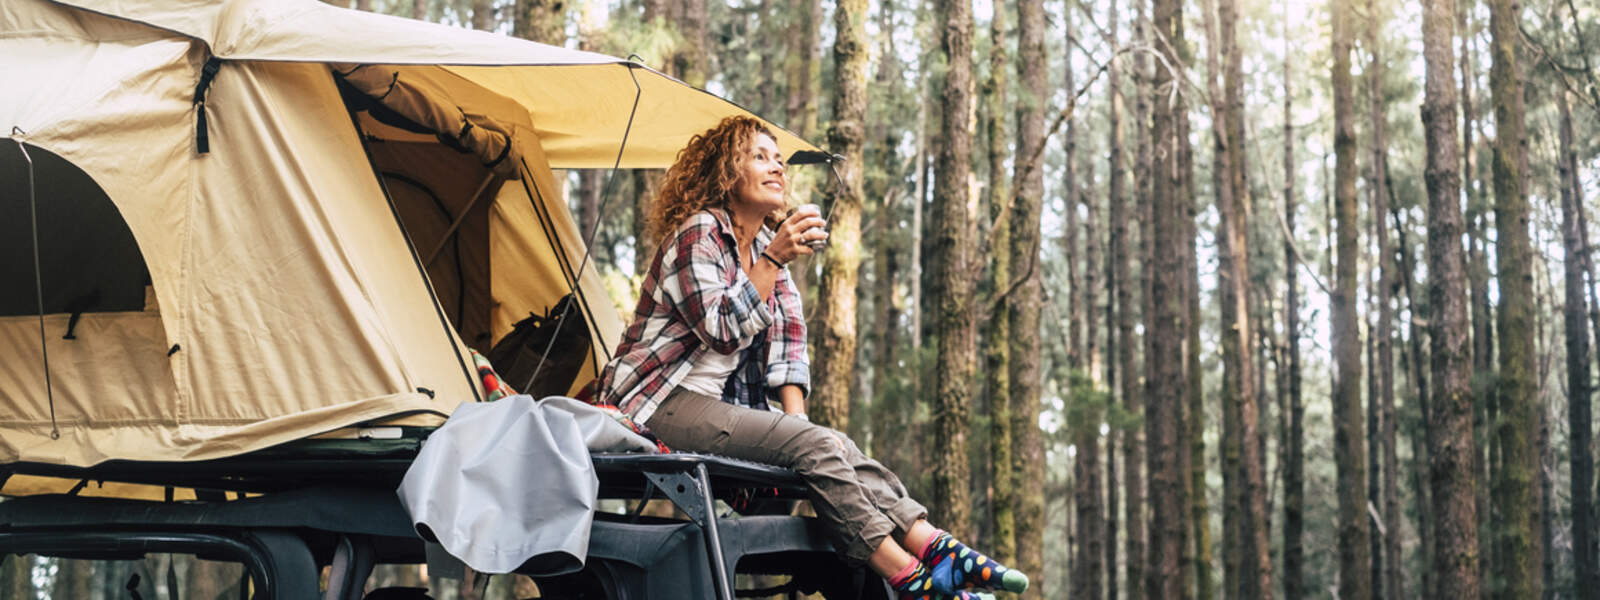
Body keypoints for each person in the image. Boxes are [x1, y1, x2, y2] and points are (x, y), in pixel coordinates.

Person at [596, 116, 1029, 600]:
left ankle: (937, 548)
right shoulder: (700, 233)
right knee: (814, 444)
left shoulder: (764, 245)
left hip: (708, 404)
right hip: (656, 403)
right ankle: (910, 580)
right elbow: (719, 328)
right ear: (726, 173)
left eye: (779, 160)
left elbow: (788, 344)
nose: (776, 167)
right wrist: (774, 261)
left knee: (832, 443)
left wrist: (800, 430)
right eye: (759, 157)